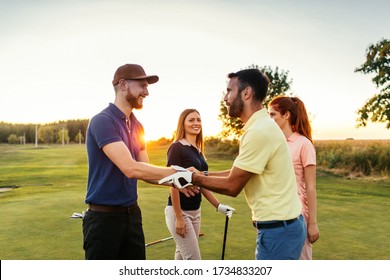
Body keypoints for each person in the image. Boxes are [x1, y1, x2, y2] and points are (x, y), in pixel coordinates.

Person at [160, 68, 306, 260]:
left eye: (229, 91)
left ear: (246, 93)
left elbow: (232, 185)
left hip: (278, 231)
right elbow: (236, 172)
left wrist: (191, 177)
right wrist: (202, 175)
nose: (225, 97)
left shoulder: (258, 131)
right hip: (282, 228)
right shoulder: (259, 127)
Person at [83, 63, 197, 260]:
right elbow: (131, 168)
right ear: (123, 84)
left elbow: (145, 170)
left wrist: (177, 181)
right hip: (104, 220)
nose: (147, 92)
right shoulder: (103, 121)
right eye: (142, 86)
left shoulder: (138, 126)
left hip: (132, 216)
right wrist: (178, 172)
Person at [164, 109, 235, 260]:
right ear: (182, 124)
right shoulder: (177, 147)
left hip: (196, 212)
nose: (196, 123)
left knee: (182, 258)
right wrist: (179, 217)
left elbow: (202, 182)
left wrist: (218, 205)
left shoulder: (198, 151)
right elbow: (172, 182)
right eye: (191, 120)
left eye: (198, 120)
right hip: (180, 211)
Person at [268, 96, 320, 260]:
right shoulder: (273, 143)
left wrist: (312, 223)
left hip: (298, 217)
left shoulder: (304, 144)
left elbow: (310, 187)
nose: (270, 119)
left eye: (273, 115)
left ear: (286, 115)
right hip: (274, 214)